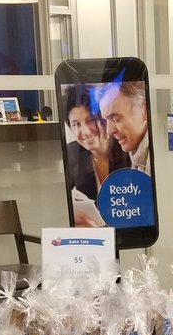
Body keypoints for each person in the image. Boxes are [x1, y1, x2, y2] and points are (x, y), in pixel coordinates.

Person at [64, 86, 129, 226]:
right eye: (76, 124)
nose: (85, 131)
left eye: (90, 120)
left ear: (102, 118)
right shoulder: (71, 154)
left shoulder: (125, 146)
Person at [98, 80, 151, 176]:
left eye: (116, 119)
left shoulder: (159, 162)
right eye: (106, 121)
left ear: (145, 111)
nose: (109, 131)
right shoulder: (138, 154)